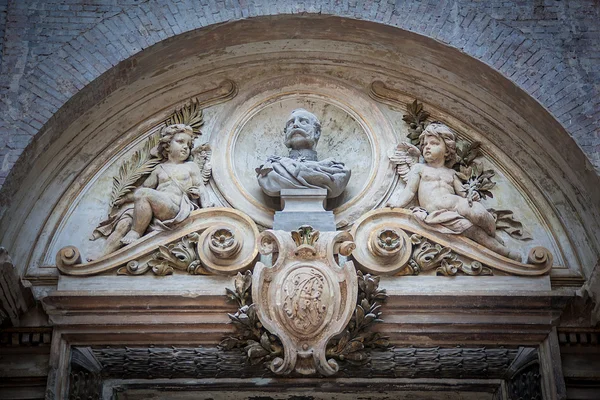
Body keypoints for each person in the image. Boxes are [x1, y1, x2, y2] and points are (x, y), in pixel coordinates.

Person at [387, 122, 520, 261]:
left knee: (480, 214)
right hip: (442, 213)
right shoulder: (419, 169)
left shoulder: (452, 173)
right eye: (425, 144)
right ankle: (504, 252)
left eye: (433, 143)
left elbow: (463, 194)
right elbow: (409, 191)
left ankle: (493, 234)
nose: (427, 147)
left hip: (458, 204)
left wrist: (471, 195)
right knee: (473, 231)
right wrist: (397, 205)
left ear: (447, 150)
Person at [256, 109, 351, 199]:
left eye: (303, 122)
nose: (295, 125)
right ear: (285, 134)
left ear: (317, 133)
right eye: (291, 123)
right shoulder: (271, 169)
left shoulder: (337, 170)